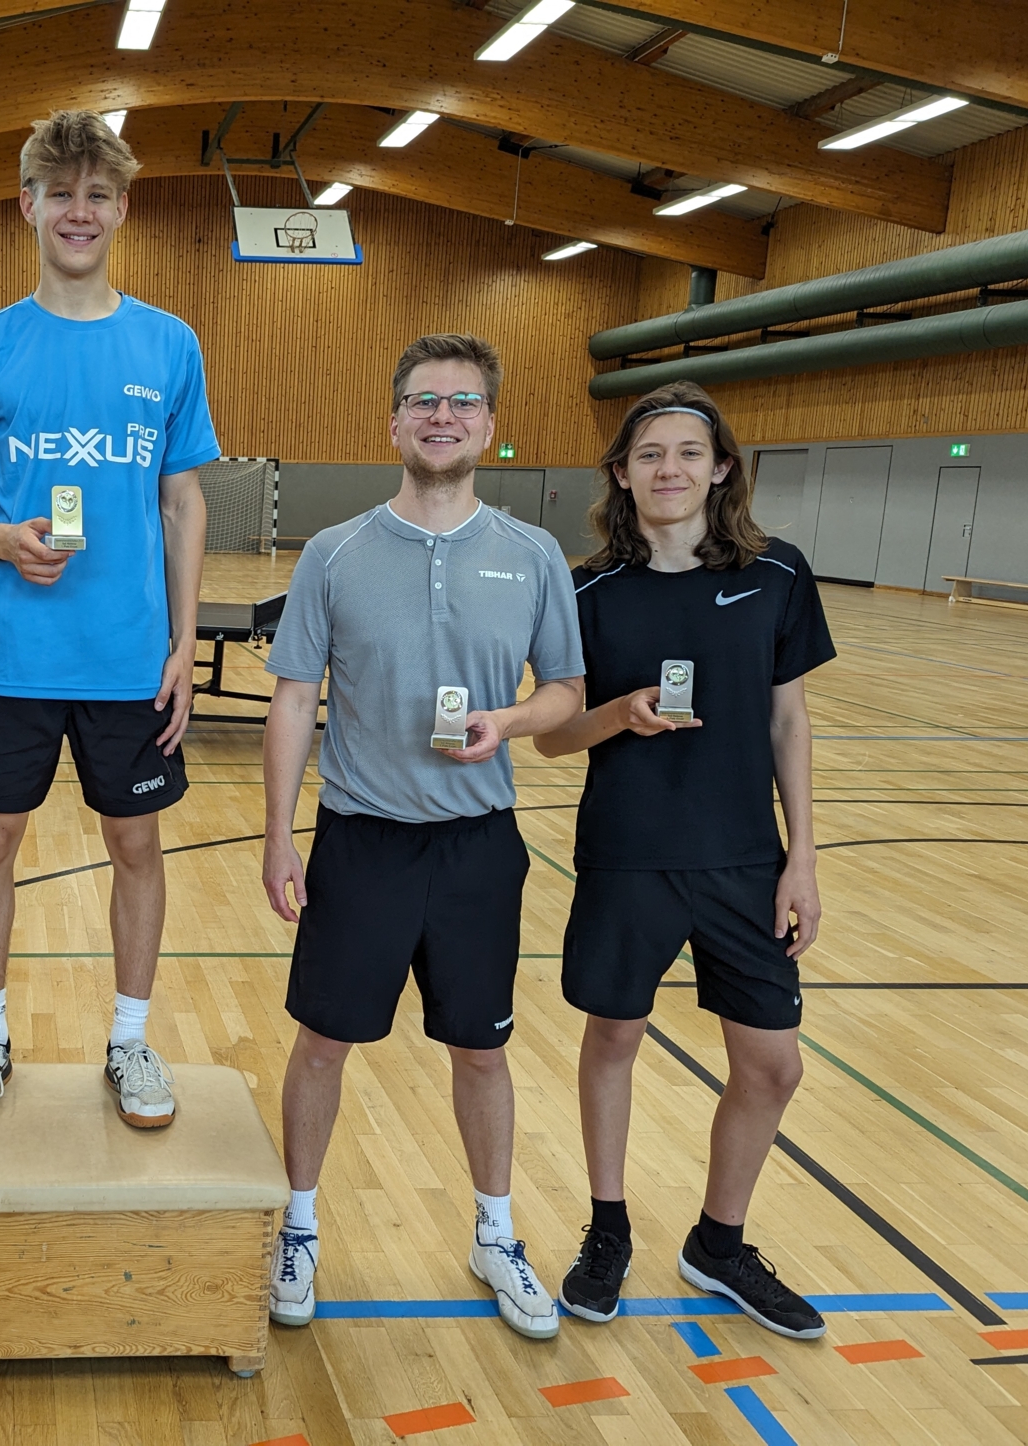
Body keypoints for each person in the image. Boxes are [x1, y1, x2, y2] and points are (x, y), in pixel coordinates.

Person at [261, 334, 585, 1339]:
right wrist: (278, 834)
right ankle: (300, 1227)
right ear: (394, 422)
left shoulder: (532, 556)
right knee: (322, 1045)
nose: (442, 415)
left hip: (480, 851)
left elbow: (568, 694)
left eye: (462, 401)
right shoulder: (335, 553)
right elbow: (294, 696)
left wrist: (513, 722)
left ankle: (495, 1233)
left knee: (481, 1054)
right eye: (423, 401)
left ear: (489, 425)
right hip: (362, 843)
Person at [0, 110, 218, 1130]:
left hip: (129, 661)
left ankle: (131, 1040)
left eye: (98, 193)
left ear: (121, 208)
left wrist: (183, 645)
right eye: (62, 192)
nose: (79, 211)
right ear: (29, 206)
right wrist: (3, 540)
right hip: (11, 655)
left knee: (136, 847)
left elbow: (184, 502)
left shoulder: (168, 344)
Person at [537, 380, 834, 1339]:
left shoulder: (778, 573)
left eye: (688, 454)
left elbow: (790, 719)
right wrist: (617, 715)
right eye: (649, 455)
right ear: (621, 475)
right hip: (629, 855)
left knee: (772, 1065)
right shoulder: (585, 589)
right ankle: (609, 1227)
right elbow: (552, 738)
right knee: (614, 1039)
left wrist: (804, 859)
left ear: (720, 468)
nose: (670, 470)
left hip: (747, 861)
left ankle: (719, 1241)